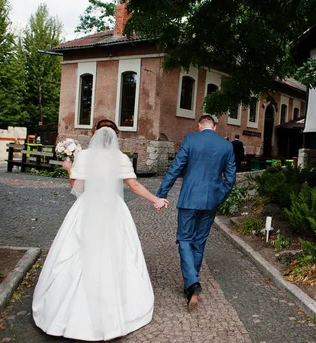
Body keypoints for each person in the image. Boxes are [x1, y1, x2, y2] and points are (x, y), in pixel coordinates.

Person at [32, 119, 168, 341]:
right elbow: (134, 185)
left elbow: (77, 188)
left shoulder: (84, 156)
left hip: (86, 206)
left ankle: (68, 313)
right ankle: (115, 312)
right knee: (116, 252)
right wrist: (156, 200)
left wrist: (68, 169)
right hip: (113, 208)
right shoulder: (120, 158)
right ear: (116, 136)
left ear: (95, 135)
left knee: (77, 249)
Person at [156, 115, 236, 311]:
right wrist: (219, 196)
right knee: (199, 241)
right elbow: (231, 178)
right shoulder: (226, 146)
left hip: (189, 199)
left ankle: (192, 282)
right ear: (214, 127)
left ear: (200, 125)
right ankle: (191, 286)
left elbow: (176, 168)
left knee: (184, 239)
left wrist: (162, 193)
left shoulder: (190, 139)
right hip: (210, 202)